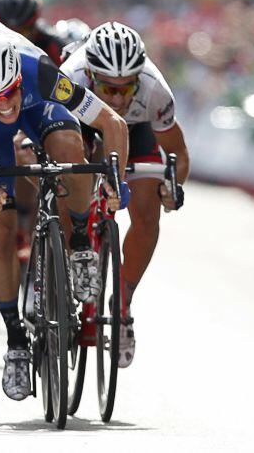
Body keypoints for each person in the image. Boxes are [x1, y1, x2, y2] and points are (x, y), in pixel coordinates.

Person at [0, 21, 129, 400]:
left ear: (17, 80)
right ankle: (16, 343)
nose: (5, 104)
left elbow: (111, 122)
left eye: (9, 93)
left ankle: (78, 241)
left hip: (40, 107)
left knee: (73, 153)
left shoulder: (38, 72)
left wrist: (115, 179)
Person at [60, 21, 188, 367]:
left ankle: (122, 305)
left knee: (148, 214)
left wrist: (172, 187)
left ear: (138, 79)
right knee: (68, 179)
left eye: (125, 88)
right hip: (82, 123)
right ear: (90, 74)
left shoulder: (155, 91)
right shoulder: (70, 78)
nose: (117, 97)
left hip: (137, 130)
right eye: (108, 87)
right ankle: (68, 258)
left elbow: (178, 155)